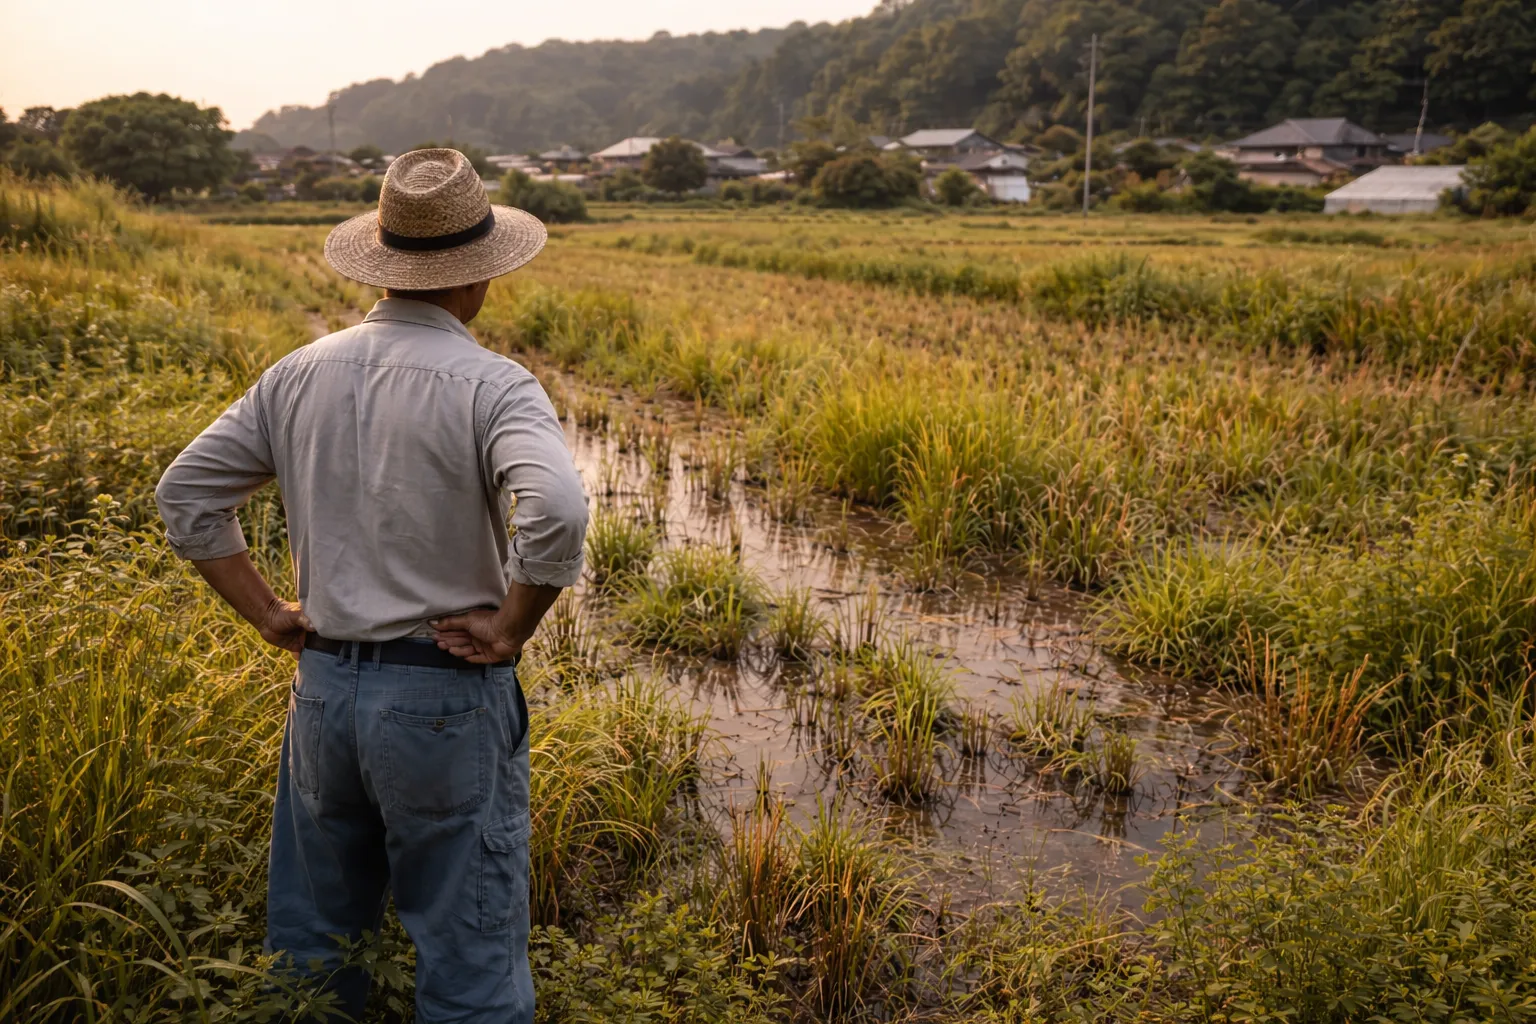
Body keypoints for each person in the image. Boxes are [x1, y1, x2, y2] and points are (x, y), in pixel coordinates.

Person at [154, 148, 587, 1022]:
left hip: (323, 694)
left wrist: (270, 613)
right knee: (467, 958)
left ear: (385, 266)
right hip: (442, 696)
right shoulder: (495, 384)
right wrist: (508, 630)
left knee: (317, 946)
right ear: (479, 281)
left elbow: (186, 494)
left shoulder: (298, 372)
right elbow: (559, 518)